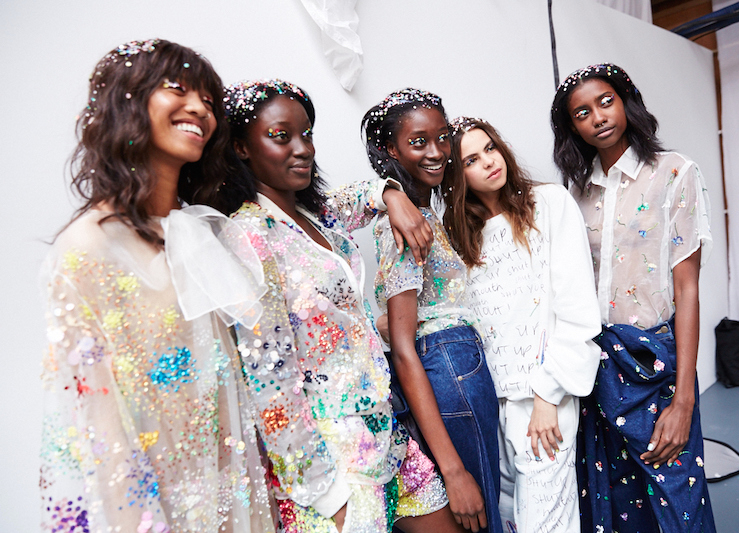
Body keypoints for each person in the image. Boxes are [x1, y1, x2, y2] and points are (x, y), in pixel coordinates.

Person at [40, 39, 279, 533]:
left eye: (208, 101)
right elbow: (98, 430)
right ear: (125, 101)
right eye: (177, 89)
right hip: (156, 510)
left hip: (237, 496)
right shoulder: (87, 248)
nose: (200, 109)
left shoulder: (202, 234)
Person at [219, 79, 463, 533]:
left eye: (306, 134)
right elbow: (269, 383)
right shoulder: (249, 236)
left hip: (384, 430)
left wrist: (391, 195)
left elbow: (359, 198)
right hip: (332, 456)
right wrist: (325, 493)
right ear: (241, 148)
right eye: (281, 136)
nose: (303, 148)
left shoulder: (313, 214)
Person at [550, 63, 715, 533]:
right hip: (595, 363)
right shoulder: (575, 191)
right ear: (572, 127)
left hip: (653, 360)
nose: (598, 117)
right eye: (582, 112)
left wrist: (684, 400)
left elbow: (687, 288)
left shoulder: (675, 172)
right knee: (613, 499)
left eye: (606, 102)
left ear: (626, 101)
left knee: (677, 496)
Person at [441, 116, 601, 533]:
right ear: (457, 177)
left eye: (490, 148)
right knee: (513, 521)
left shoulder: (549, 204)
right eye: (471, 160)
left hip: (544, 399)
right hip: (490, 404)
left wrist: (548, 396)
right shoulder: (458, 236)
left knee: (546, 525)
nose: (488, 162)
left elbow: (577, 308)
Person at [365, 89, 502, 533]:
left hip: (456, 366)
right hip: (448, 368)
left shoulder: (423, 214)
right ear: (390, 150)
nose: (437, 151)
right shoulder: (403, 226)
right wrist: (453, 472)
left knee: (485, 512)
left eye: (443, 138)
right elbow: (406, 350)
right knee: (478, 516)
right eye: (418, 142)